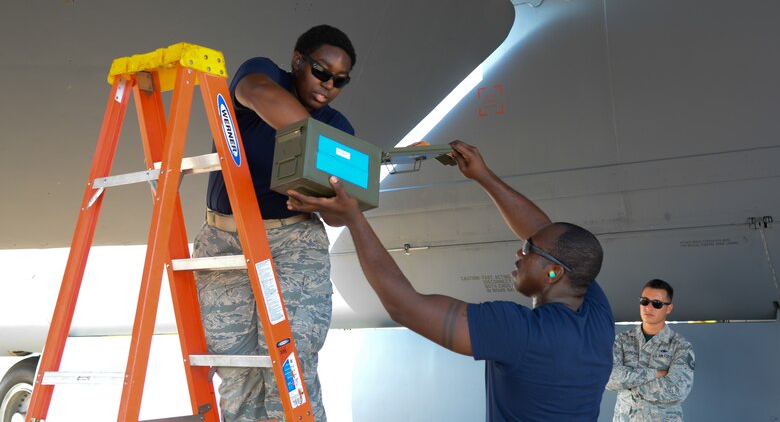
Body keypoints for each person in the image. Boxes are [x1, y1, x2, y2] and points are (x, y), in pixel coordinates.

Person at [286, 140, 616, 422]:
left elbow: (405, 306)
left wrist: (353, 218)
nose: (519, 250)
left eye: (529, 250)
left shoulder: (519, 331)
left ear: (554, 273)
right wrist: (482, 176)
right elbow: (546, 232)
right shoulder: (595, 313)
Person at [192, 24, 357, 422]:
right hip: (223, 240)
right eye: (321, 72)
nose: (328, 86)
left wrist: (321, 200)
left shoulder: (339, 127)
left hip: (293, 240)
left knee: (290, 361)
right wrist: (328, 154)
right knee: (235, 367)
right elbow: (258, 94)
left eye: (340, 81)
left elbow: (342, 211)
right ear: (298, 60)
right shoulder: (263, 73)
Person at [606, 279, 695, 421]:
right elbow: (609, 379)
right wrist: (655, 374)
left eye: (657, 303)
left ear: (669, 308)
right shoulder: (622, 340)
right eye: (644, 301)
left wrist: (628, 384)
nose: (649, 307)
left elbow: (677, 391)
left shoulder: (680, 346)